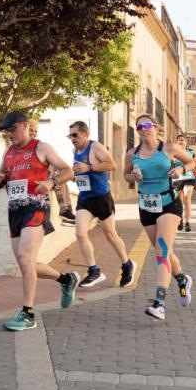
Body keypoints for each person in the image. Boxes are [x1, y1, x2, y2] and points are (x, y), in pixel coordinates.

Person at [0, 111, 78, 331]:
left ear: (23, 126)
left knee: (25, 256)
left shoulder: (41, 148)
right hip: (15, 211)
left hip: (36, 208)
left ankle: (28, 313)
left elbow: (68, 171)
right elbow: (1, 178)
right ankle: (66, 279)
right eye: (6, 131)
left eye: (12, 129)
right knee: (25, 264)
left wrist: (51, 182)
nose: (9, 134)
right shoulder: (8, 153)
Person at [124, 114, 195, 321]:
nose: (143, 129)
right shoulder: (132, 153)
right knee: (163, 250)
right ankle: (182, 280)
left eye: (146, 125)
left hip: (168, 204)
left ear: (155, 127)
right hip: (146, 205)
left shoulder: (169, 148)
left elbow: (192, 163)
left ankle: (159, 303)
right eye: (139, 127)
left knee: (161, 250)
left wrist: (181, 168)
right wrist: (133, 177)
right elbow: (125, 174)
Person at [67, 121, 136, 288]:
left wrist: (89, 167)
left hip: (101, 197)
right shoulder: (75, 150)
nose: (72, 138)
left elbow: (112, 165)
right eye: (70, 136)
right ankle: (94, 271)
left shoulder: (95, 147)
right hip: (85, 198)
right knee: (81, 233)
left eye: (75, 135)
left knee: (110, 234)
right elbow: (80, 173)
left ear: (85, 134)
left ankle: (127, 265)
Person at [28, 119, 76, 225]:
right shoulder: (21, 147)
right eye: (31, 130)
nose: (34, 133)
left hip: (45, 177)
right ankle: (65, 211)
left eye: (35, 131)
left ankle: (65, 211)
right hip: (33, 178)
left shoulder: (40, 146)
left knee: (60, 178)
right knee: (58, 176)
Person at [171, 134, 196, 232]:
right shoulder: (173, 153)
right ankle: (180, 219)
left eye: (183, 140)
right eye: (179, 140)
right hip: (177, 179)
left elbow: (194, 164)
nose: (181, 141)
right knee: (179, 202)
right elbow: (170, 164)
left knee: (187, 198)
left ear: (186, 143)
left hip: (189, 177)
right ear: (176, 143)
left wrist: (195, 165)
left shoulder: (191, 152)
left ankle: (188, 222)